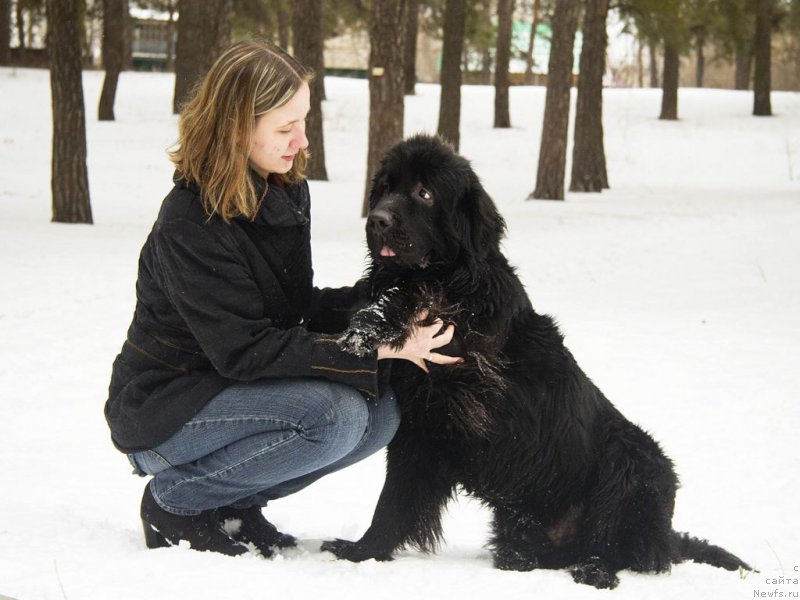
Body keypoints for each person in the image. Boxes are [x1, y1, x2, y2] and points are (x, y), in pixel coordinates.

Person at [104, 40, 459, 557]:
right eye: (284, 127)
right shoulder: (191, 222)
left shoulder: (282, 189)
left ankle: (233, 504)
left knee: (381, 411)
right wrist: (378, 346)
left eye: (305, 120)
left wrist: (393, 305)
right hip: (168, 407)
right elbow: (246, 349)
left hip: (233, 391)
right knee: (333, 415)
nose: (302, 139)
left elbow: (293, 307)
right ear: (236, 126)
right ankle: (175, 502)